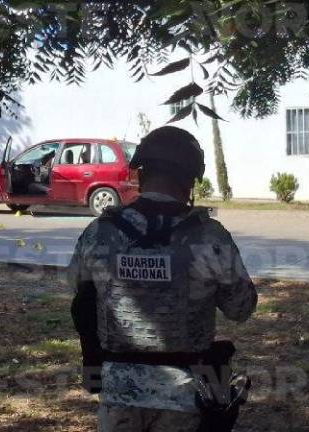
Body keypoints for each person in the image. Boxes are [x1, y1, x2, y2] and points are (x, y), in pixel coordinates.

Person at [69, 126, 257, 432]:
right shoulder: (209, 236)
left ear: (141, 175)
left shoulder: (100, 232)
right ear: (190, 180)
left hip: (119, 395)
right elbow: (242, 308)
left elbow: (82, 298)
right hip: (185, 397)